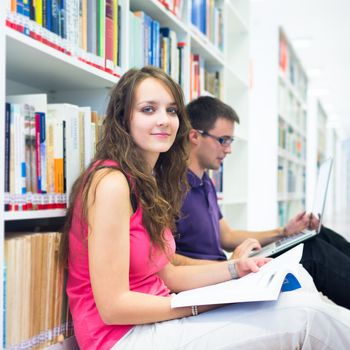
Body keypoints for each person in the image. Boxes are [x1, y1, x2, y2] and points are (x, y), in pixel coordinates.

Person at [61, 67, 350, 350]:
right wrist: (204, 303)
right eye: (148, 109)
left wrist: (237, 270)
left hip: (155, 319)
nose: (163, 120)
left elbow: (169, 275)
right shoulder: (111, 183)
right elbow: (113, 308)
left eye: (172, 110)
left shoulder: (143, 183)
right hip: (122, 338)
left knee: (300, 297)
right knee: (309, 318)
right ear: (123, 118)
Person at [174, 95, 350, 310]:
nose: (228, 149)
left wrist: (283, 232)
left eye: (231, 141)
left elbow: (226, 237)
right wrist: (228, 267)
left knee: (319, 234)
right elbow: (167, 261)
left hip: (229, 267)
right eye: (223, 140)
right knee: (313, 253)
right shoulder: (171, 187)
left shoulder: (205, 182)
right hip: (210, 279)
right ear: (194, 136)